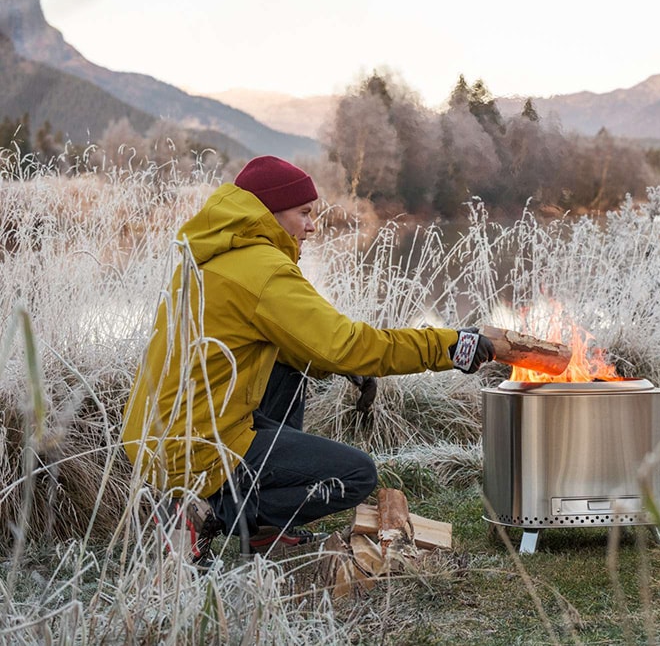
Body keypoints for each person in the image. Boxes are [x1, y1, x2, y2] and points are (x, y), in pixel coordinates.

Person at [121, 155, 494, 564]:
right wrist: (451, 346)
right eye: (303, 213)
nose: (312, 226)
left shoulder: (214, 253)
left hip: (160, 435)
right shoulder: (261, 269)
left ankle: (264, 533)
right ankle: (204, 515)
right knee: (354, 475)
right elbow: (347, 342)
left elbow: (304, 346)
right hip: (197, 448)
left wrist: (344, 365)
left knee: (289, 365)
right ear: (270, 213)